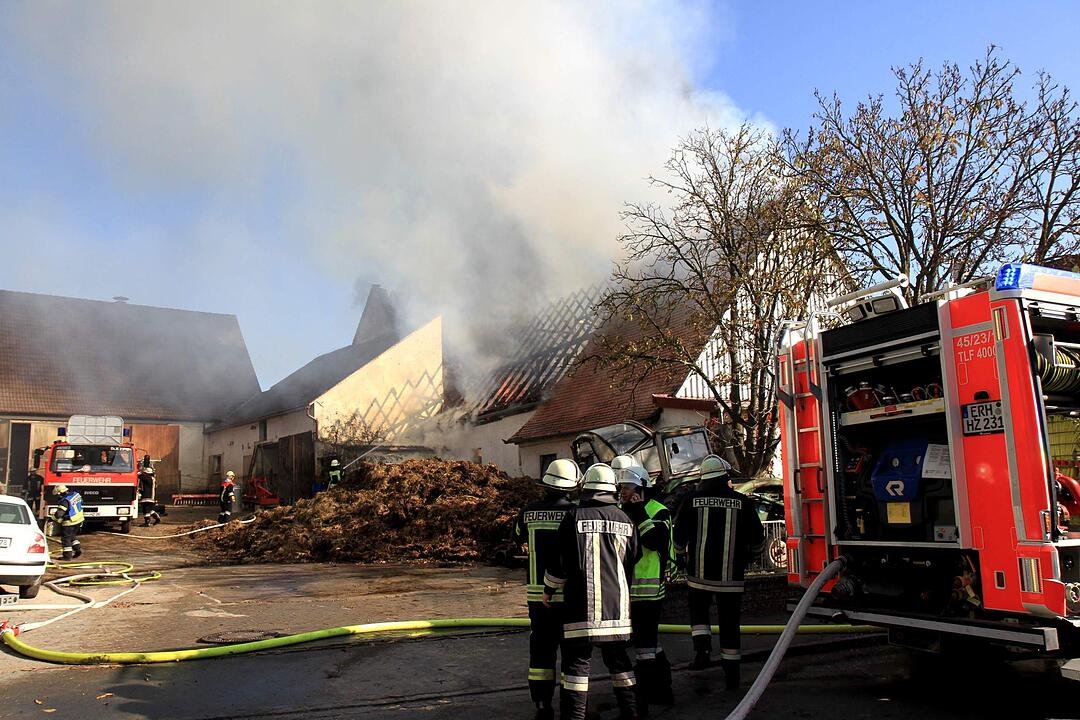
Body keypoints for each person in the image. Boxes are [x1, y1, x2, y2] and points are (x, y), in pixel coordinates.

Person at [543, 463, 640, 720]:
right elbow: (633, 557)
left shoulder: (573, 518)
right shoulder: (626, 520)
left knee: (576, 666)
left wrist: (548, 589)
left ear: (585, 488)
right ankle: (632, 713)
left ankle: (574, 717)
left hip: (580, 608)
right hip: (617, 609)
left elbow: (560, 563)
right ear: (612, 489)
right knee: (619, 662)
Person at [673, 455, 765, 690]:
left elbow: (679, 535)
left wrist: (681, 556)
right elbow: (758, 539)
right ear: (724, 478)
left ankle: (702, 652)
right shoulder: (742, 502)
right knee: (730, 623)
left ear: (703, 478)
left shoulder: (691, 500)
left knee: (699, 614)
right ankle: (732, 674)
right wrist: (751, 557)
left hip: (699, 577)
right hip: (731, 579)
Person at [512, 458, 581, 720]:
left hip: (536, 595)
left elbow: (516, 536)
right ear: (572, 486)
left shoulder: (528, 511)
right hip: (570, 596)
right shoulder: (575, 512)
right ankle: (572, 705)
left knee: (541, 649)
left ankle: (542, 704)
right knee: (572, 652)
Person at [613, 455, 674, 709]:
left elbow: (655, 542)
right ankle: (664, 690)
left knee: (644, 648)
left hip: (649, 592)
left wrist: (639, 513)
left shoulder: (658, 511)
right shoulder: (621, 511)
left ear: (640, 487)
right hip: (628, 590)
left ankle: (646, 697)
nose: (622, 491)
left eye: (627, 487)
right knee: (649, 644)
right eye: (621, 487)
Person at [52, 484, 84, 560]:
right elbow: (81, 502)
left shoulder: (64, 501)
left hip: (70, 522)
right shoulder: (75, 494)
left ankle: (67, 556)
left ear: (59, 493)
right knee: (72, 536)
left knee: (65, 539)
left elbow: (59, 514)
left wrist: (53, 518)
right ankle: (78, 549)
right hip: (79, 520)